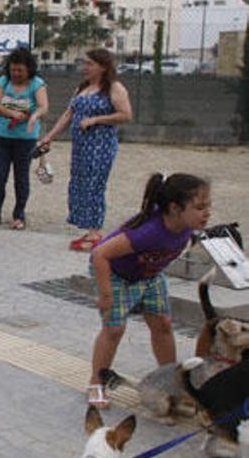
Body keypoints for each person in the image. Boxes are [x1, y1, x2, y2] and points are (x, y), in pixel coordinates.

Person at [85, 173, 211, 408]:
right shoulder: (149, 231)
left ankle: (171, 382)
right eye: (200, 207)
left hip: (149, 274)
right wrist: (105, 295)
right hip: (115, 274)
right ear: (174, 208)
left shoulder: (185, 226)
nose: (207, 213)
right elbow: (100, 254)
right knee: (114, 329)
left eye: (208, 206)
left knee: (163, 324)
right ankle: (96, 383)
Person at [38, 48, 133, 251]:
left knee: (94, 186)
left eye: (90, 64)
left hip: (101, 146)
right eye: (84, 63)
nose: (85, 68)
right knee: (79, 184)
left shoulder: (114, 88)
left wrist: (97, 119)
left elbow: (125, 115)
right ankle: (89, 228)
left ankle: (96, 232)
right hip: (81, 146)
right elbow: (68, 114)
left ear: (103, 67)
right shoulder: (82, 88)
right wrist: (49, 137)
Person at [0, 47, 48, 231]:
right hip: (1, 135)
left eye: (20, 70)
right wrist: (11, 112)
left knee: (21, 177)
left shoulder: (37, 84)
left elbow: (43, 107)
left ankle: (19, 215)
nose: (16, 74)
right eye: (13, 70)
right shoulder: (4, 81)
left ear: (29, 69)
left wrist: (34, 116)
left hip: (25, 138)